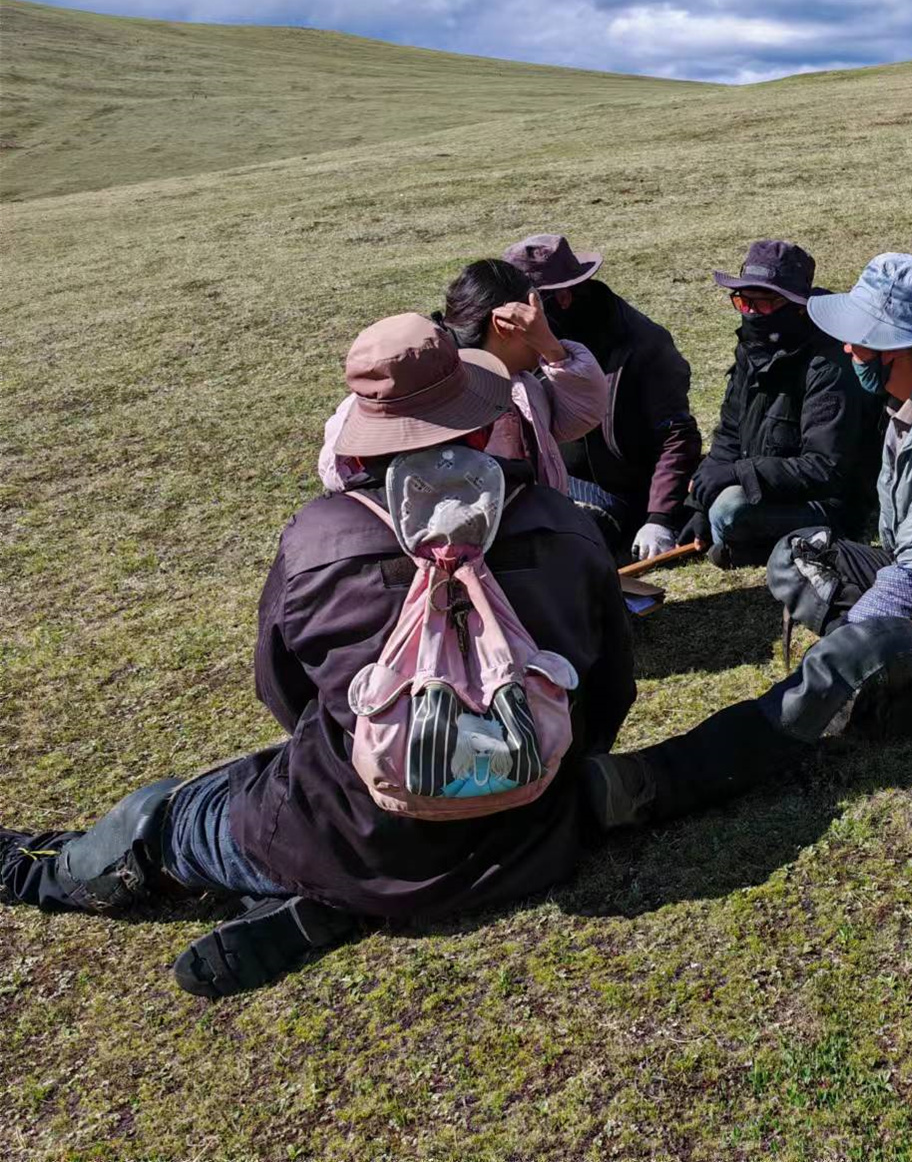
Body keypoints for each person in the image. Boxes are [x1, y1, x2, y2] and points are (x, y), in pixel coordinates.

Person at [1, 314, 636, 996]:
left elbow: (283, 693)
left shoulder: (319, 540)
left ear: (366, 440)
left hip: (349, 837)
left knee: (165, 819)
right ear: (483, 427)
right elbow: (609, 689)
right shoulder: (563, 524)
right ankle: (332, 904)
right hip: (537, 826)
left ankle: (30, 869)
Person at [581, 253, 912, 828]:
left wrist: (851, 646)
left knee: (853, 650)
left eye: (861, 339)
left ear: (898, 349)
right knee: (796, 554)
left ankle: (657, 780)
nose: (848, 348)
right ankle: (885, 678)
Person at [318, 258, 607, 494]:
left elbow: (581, 417)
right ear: (504, 325)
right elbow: (342, 462)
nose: (546, 327)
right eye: (537, 317)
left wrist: (554, 351)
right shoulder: (418, 392)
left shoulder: (523, 385)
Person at [677, 240, 883, 568]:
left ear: (797, 306)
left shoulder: (828, 365)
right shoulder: (751, 349)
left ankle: (758, 545)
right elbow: (729, 434)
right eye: (743, 302)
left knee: (729, 510)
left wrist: (736, 474)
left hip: (825, 503)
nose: (751, 313)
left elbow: (825, 468)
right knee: (706, 498)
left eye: (763, 303)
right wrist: (699, 505)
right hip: (767, 488)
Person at [504, 233, 702, 561]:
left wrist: (660, 518)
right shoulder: (525, 340)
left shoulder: (642, 345)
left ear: (562, 298)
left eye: (526, 308)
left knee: (559, 546)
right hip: (545, 478)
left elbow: (676, 435)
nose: (519, 320)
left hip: (615, 491)